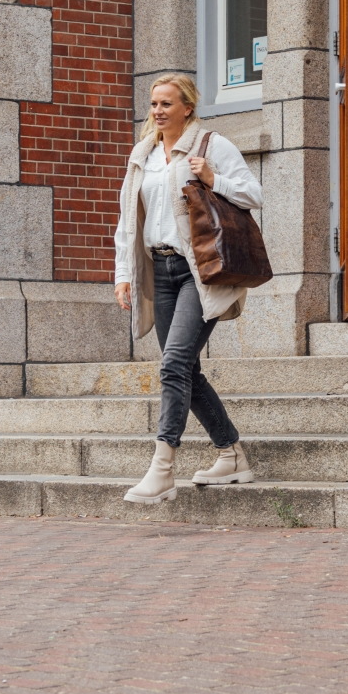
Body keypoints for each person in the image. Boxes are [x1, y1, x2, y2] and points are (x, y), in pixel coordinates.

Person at [110, 73, 263, 505]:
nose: (157, 111)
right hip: (159, 271)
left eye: (166, 104)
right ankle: (231, 455)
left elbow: (254, 195)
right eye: (154, 104)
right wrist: (124, 274)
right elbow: (128, 222)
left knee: (174, 363)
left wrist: (214, 179)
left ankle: (162, 470)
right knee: (185, 370)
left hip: (199, 272)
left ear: (188, 108)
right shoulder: (142, 154)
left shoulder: (211, 146)